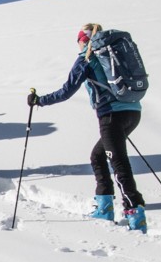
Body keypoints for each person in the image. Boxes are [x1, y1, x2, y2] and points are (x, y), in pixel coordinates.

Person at [26, 23, 146, 231]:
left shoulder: (87, 58)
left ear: (83, 40)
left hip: (111, 116)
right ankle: (104, 206)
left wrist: (39, 101)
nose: (79, 44)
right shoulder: (112, 52)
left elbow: (66, 91)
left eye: (79, 40)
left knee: (118, 163)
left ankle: (135, 212)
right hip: (133, 112)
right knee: (98, 156)